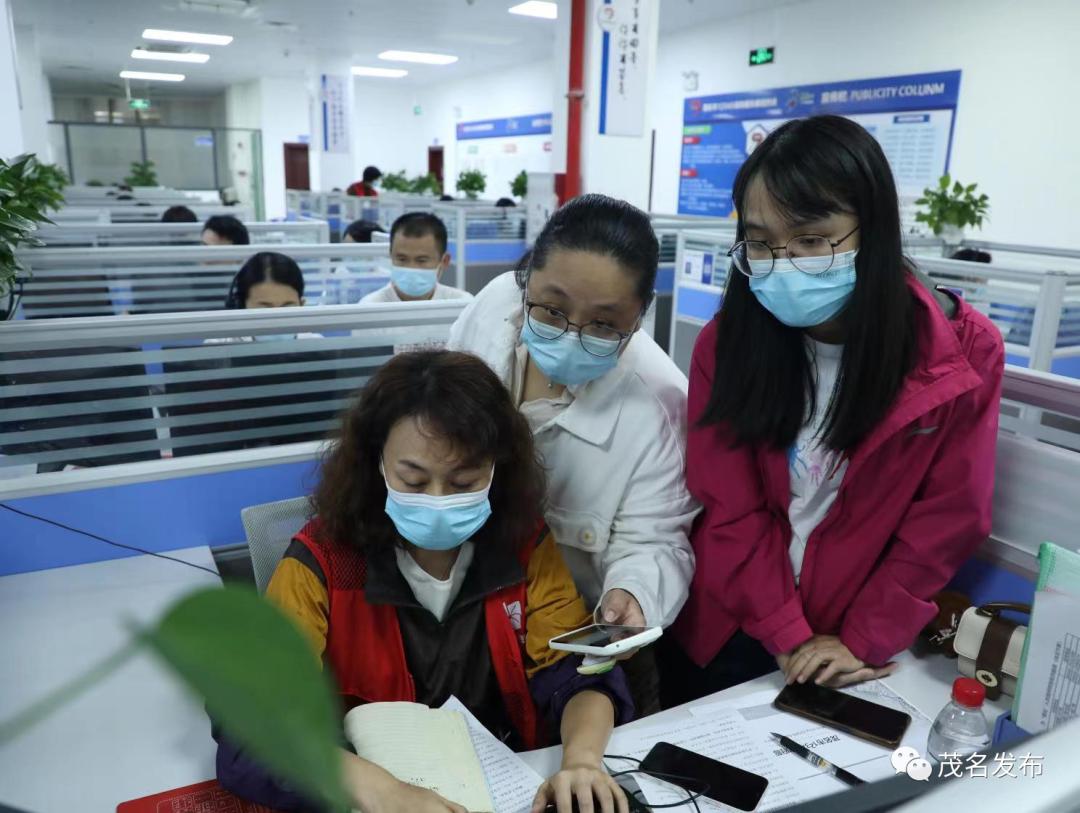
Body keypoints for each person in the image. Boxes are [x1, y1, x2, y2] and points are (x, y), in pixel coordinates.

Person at [668, 115, 1004, 701]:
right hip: (734, 622)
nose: (782, 263)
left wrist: (864, 637)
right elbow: (730, 509)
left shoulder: (961, 353)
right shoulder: (725, 346)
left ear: (872, 230)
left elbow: (948, 519)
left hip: (856, 642)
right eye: (760, 242)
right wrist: (785, 632)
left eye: (811, 239)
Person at [214, 351, 634, 813]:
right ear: (377, 463)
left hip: (504, 784)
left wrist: (583, 761)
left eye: (463, 481)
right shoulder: (324, 563)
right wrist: (383, 791)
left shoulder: (523, 545)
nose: (437, 501)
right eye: (413, 480)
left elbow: (578, 672)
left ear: (496, 469)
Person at [448, 194, 698, 715]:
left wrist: (633, 593)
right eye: (552, 308)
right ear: (526, 281)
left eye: (605, 324)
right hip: (461, 619)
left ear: (639, 317)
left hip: (569, 646)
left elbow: (655, 539)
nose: (571, 334)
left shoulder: (660, 405)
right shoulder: (493, 307)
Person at [361, 212, 473, 304]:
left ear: (444, 261)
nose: (411, 268)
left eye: (421, 260)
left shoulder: (461, 305)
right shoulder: (370, 307)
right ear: (391, 256)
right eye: (402, 259)